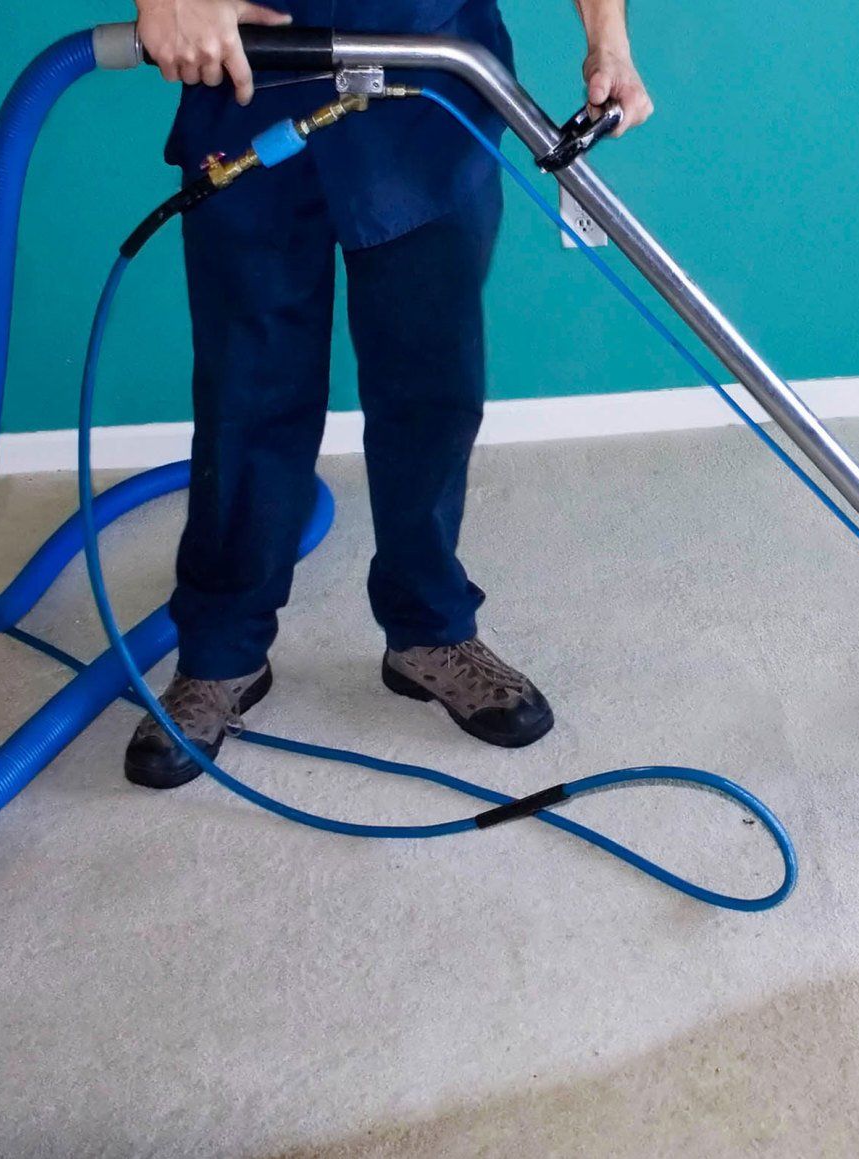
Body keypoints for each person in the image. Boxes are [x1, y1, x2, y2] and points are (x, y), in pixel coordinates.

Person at [122, 0, 652, 788]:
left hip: (428, 81)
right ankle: (222, 649)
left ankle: (428, 627)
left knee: (432, 388)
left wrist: (609, 40)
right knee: (246, 391)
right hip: (251, 70)